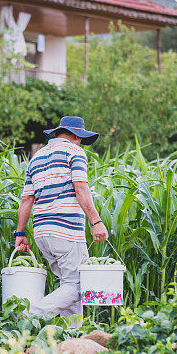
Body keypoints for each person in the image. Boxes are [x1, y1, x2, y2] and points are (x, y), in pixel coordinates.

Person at [13, 116, 109, 325]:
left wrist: (20, 234)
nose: (81, 143)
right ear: (75, 136)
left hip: (42, 233)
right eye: (81, 139)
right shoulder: (75, 152)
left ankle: (70, 336)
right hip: (65, 230)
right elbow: (81, 187)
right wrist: (96, 222)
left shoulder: (37, 157)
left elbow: (26, 198)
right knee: (78, 287)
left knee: (68, 285)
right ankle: (28, 317)